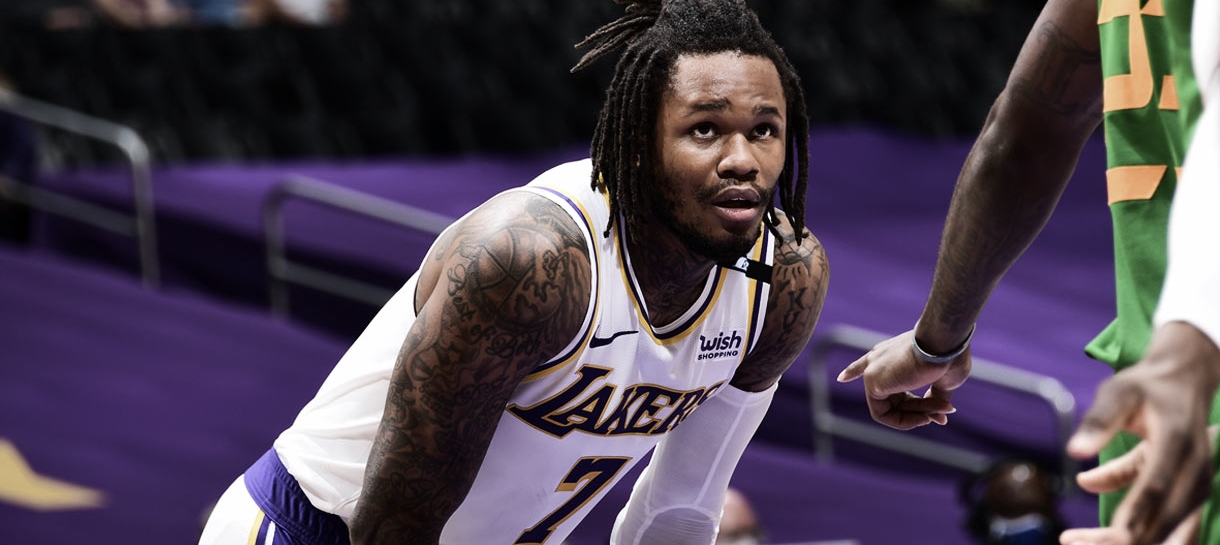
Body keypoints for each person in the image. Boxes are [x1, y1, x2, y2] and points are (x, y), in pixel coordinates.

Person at [197, 0, 828, 543]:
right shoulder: (532, 261)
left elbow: (680, 512)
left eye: (764, 130)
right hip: (321, 529)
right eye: (705, 129)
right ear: (640, 142)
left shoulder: (786, 281)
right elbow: (396, 522)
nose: (742, 159)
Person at [836, 0, 1218, 543]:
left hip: (1153, 412)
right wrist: (934, 344)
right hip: (1163, 412)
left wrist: (937, 342)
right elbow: (1026, 136)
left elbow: (1026, 135)